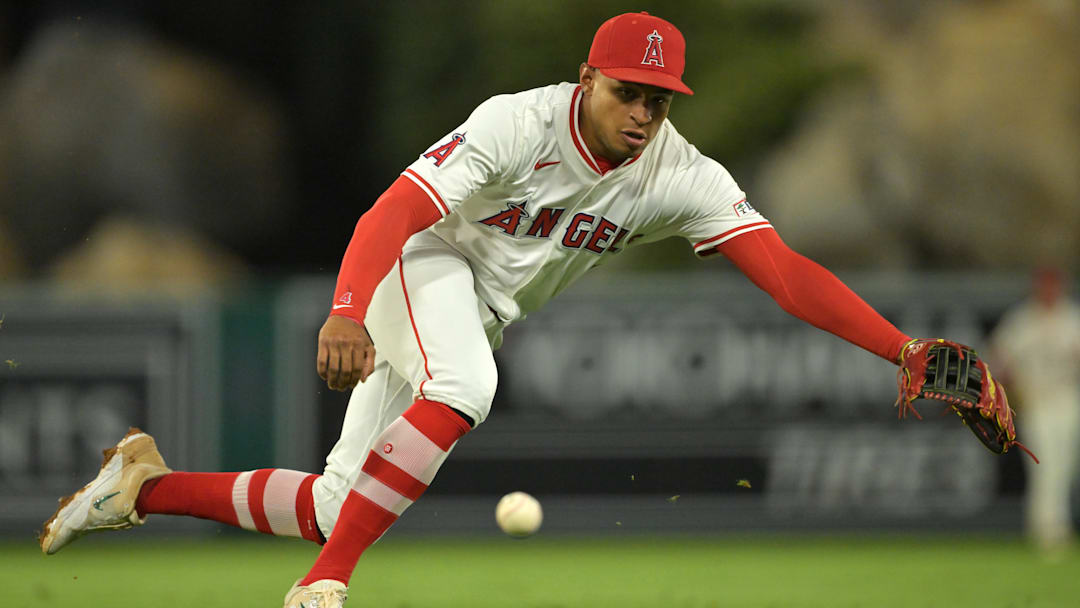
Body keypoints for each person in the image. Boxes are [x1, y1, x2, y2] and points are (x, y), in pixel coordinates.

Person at [39, 12, 983, 607]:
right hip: (425, 261)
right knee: (468, 383)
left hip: (478, 305)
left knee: (338, 502)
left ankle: (143, 487)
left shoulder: (680, 175)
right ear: (587, 77)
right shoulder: (516, 123)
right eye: (628, 91)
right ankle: (326, 588)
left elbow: (785, 273)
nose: (644, 113)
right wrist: (346, 307)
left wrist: (904, 350)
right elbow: (395, 211)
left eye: (660, 98)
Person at [990, 267, 1080, 557]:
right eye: (1044, 284)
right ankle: (1047, 530)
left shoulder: (1072, 319)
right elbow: (998, 362)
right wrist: (1011, 397)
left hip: (1067, 399)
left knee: (1064, 467)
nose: (1049, 290)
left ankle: (1054, 526)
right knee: (1043, 466)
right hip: (1036, 401)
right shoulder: (1021, 321)